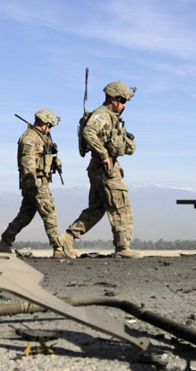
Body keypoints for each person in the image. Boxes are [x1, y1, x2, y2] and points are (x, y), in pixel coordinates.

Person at [59, 81, 142, 259]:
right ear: (113, 98)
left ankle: (67, 238)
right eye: (122, 100)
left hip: (100, 167)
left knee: (97, 208)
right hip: (105, 168)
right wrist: (104, 154)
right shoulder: (102, 115)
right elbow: (89, 132)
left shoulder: (110, 116)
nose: (124, 105)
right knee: (121, 206)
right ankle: (122, 247)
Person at [0, 109, 72, 259]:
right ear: (42, 122)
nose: (49, 129)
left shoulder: (41, 138)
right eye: (49, 126)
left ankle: (4, 242)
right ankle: (58, 248)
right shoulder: (30, 139)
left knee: (25, 215)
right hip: (35, 182)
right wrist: (32, 183)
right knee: (49, 213)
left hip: (38, 181)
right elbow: (27, 162)